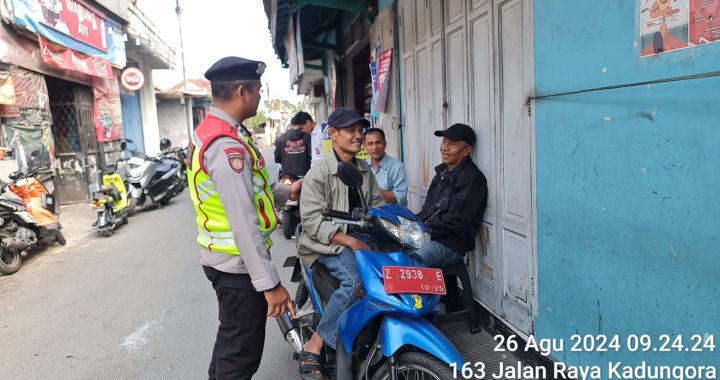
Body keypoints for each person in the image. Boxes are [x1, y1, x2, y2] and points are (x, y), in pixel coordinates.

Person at [187, 56, 297, 380]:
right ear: (241, 91)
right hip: (238, 266)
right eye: (258, 89)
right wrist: (271, 285)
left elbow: (250, 189)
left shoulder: (221, 130)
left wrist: (289, 192)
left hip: (225, 260)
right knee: (240, 359)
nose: (261, 95)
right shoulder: (225, 145)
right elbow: (243, 222)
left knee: (229, 345)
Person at [296, 107, 384, 379]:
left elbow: (378, 206)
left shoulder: (364, 170)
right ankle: (317, 342)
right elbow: (311, 221)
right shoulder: (318, 174)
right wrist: (349, 241)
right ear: (333, 134)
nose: (358, 136)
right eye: (351, 131)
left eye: (360, 130)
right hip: (326, 244)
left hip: (360, 239)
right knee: (357, 279)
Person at [414, 123, 488, 268]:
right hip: (430, 237)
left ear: (466, 150)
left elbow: (455, 220)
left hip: (451, 244)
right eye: (443, 142)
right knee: (392, 252)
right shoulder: (441, 175)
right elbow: (427, 211)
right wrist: (411, 226)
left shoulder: (472, 178)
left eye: (452, 144)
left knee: (412, 261)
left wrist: (423, 230)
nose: (444, 148)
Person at [364, 127, 408, 205]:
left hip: (390, 215)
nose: (375, 147)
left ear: (385, 144)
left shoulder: (397, 166)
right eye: (370, 144)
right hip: (368, 215)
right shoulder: (362, 166)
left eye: (378, 142)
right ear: (365, 146)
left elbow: (401, 197)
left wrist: (373, 190)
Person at [274, 113, 312, 178]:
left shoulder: (282, 138)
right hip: (305, 176)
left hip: (287, 177)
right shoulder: (308, 137)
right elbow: (311, 156)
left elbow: (277, 158)